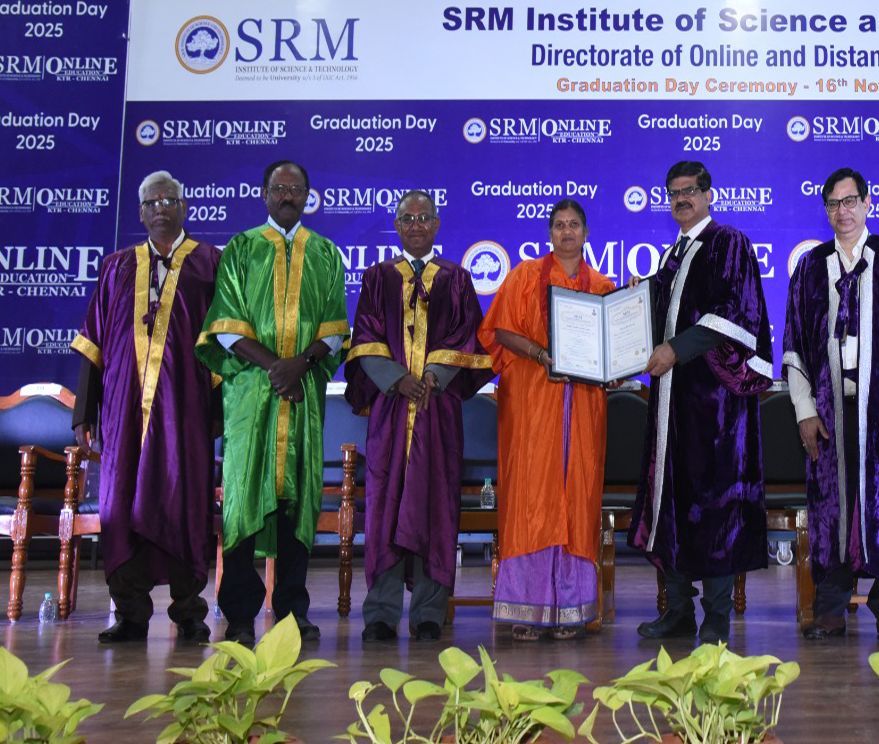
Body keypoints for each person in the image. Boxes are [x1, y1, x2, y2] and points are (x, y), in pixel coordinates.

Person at [196, 160, 348, 646]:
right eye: (279, 188)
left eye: (296, 188)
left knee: (296, 499)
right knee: (244, 498)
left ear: (308, 196)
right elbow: (225, 326)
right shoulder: (240, 250)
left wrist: (298, 365)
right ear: (263, 194)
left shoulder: (325, 254)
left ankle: (291, 611)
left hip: (301, 396)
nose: (288, 195)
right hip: (250, 399)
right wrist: (275, 368)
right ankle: (240, 613)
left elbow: (335, 330)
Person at [783, 168, 879, 640]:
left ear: (867, 203)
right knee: (831, 505)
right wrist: (805, 411)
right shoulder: (811, 266)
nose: (842, 211)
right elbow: (794, 348)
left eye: (850, 201)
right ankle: (830, 608)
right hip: (830, 409)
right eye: (833, 203)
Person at [70, 171, 221, 645]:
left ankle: (190, 613)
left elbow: (224, 344)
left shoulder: (210, 264)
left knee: (185, 504)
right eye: (151, 202)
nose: (160, 208)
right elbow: (92, 344)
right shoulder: (116, 267)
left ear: (184, 206)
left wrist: (219, 418)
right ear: (140, 212)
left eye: (168, 199)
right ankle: (131, 613)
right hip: (122, 414)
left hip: (186, 414)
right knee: (121, 505)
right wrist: (83, 412)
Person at [629, 160, 773, 645]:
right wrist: (634, 305)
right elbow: (663, 316)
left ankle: (715, 618)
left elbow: (734, 315)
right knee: (670, 501)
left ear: (709, 195)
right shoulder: (675, 254)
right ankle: (677, 611)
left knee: (712, 507)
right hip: (672, 403)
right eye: (673, 192)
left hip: (713, 407)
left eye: (690, 190)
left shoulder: (727, 242)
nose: (681, 199)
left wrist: (674, 349)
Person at [345, 191, 489, 644]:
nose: (416, 224)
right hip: (390, 410)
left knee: (436, 504)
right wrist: (395, 379)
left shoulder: (457, 279)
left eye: (424, 217)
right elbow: (365, 335)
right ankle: (381, 613)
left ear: (437, 224)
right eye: (407, 218)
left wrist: (431, 377)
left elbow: (468, 337)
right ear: (397, 224)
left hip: (438, 409)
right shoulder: (377, 277)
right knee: (385, 506)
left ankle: (429, 610)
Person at [477, 199, 615, 641]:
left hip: (583, 408)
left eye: (575, 224)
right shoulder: (522, 276)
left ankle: (573, 609)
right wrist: (539, 352)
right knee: (530, 500)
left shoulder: (603, 286)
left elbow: (615, 349)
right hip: (532, 406)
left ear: (587, 233)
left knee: (577, 496)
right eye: (559, 225)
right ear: (549, 232)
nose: (567, 231)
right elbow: (498, 331)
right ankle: (526, 607)